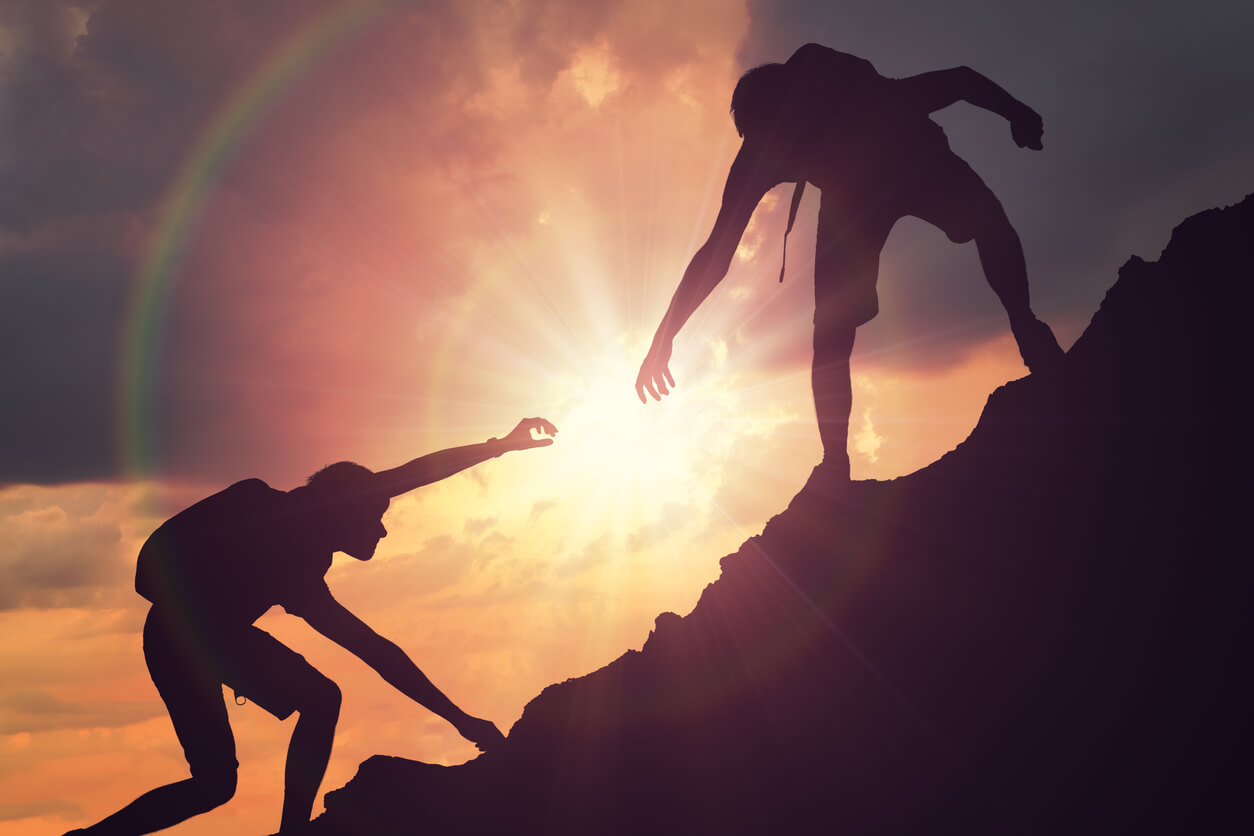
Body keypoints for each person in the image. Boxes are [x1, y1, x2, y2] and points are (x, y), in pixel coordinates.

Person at [68, 418, 558, 836]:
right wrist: (461, 720)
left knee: (215, 784)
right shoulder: (286, 548)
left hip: (182, 635)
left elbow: (416, 475)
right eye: (377, 515)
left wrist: (503, 445)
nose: (384, 528)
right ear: (347, 510)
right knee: (314, 705)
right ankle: (293, 832)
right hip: (180, 638)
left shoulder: (302, 555)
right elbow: (377, 652)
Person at [636, 43, 1064, 478]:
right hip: (853, 204)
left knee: (988, 221)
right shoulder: (762, 153)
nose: (772, 151)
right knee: (831, 327)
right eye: (761, 142)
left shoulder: (868, 99)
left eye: (776, 138)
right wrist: (666, 333)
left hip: (913, 158)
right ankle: (835, 462)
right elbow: (717, 253)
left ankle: (1026, 325)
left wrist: (1017, 112)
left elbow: (959, 80)